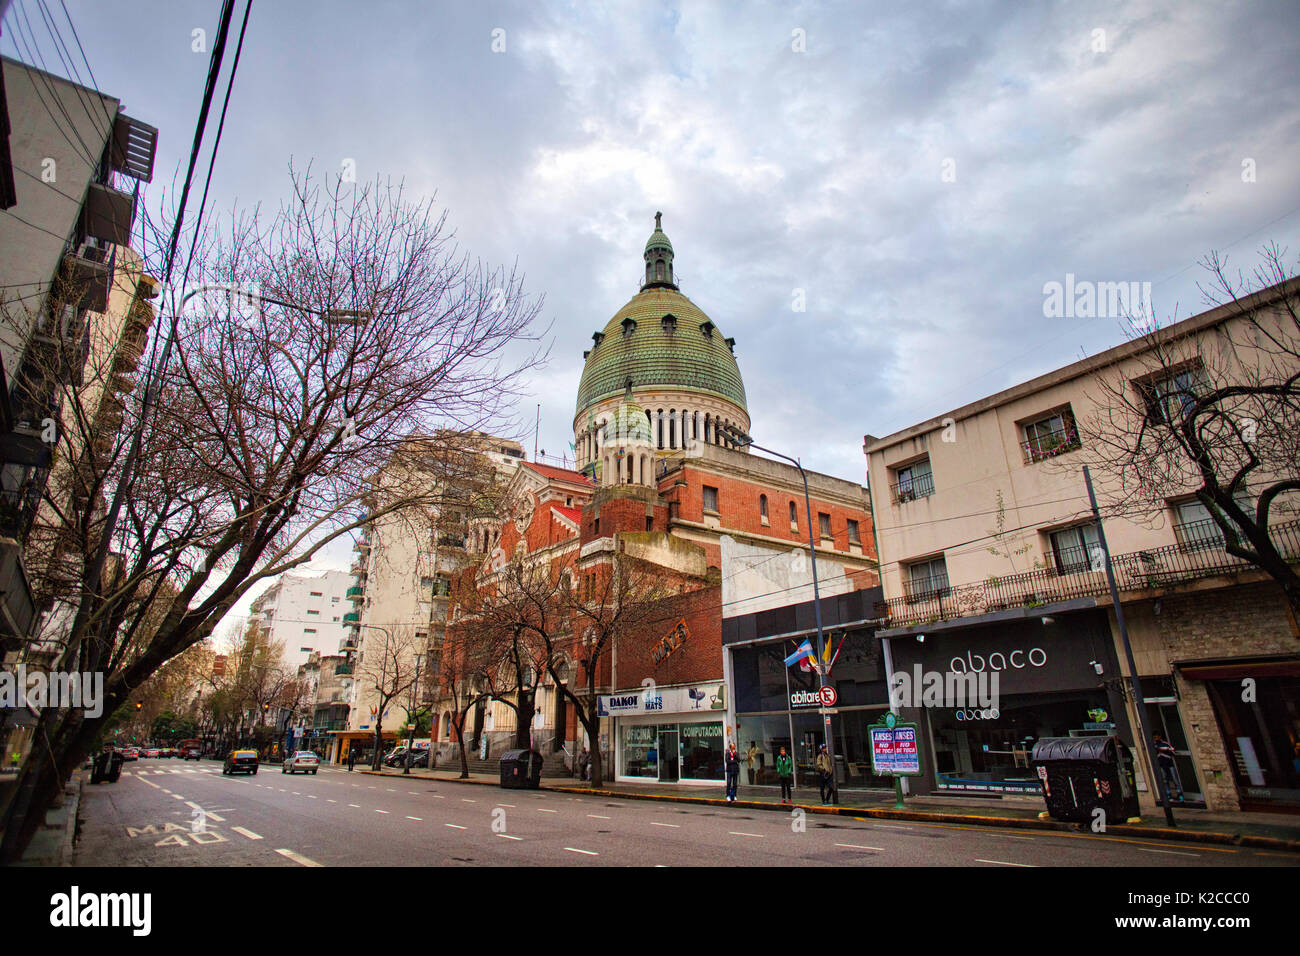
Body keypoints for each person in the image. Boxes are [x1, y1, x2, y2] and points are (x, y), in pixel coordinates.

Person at [1152, 734, 1183, 801]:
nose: (1156, 738)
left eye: (1157, 736)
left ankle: (1179, 794)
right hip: (1161, 765)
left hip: (1169, 764)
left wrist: (1161, 749)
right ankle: (1169, 794)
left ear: (1160, 737)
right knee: (1165, 780)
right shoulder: (1153, 745)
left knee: (1175, 779)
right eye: (1154, 737)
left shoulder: (1165, 744)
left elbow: (1173, 751)